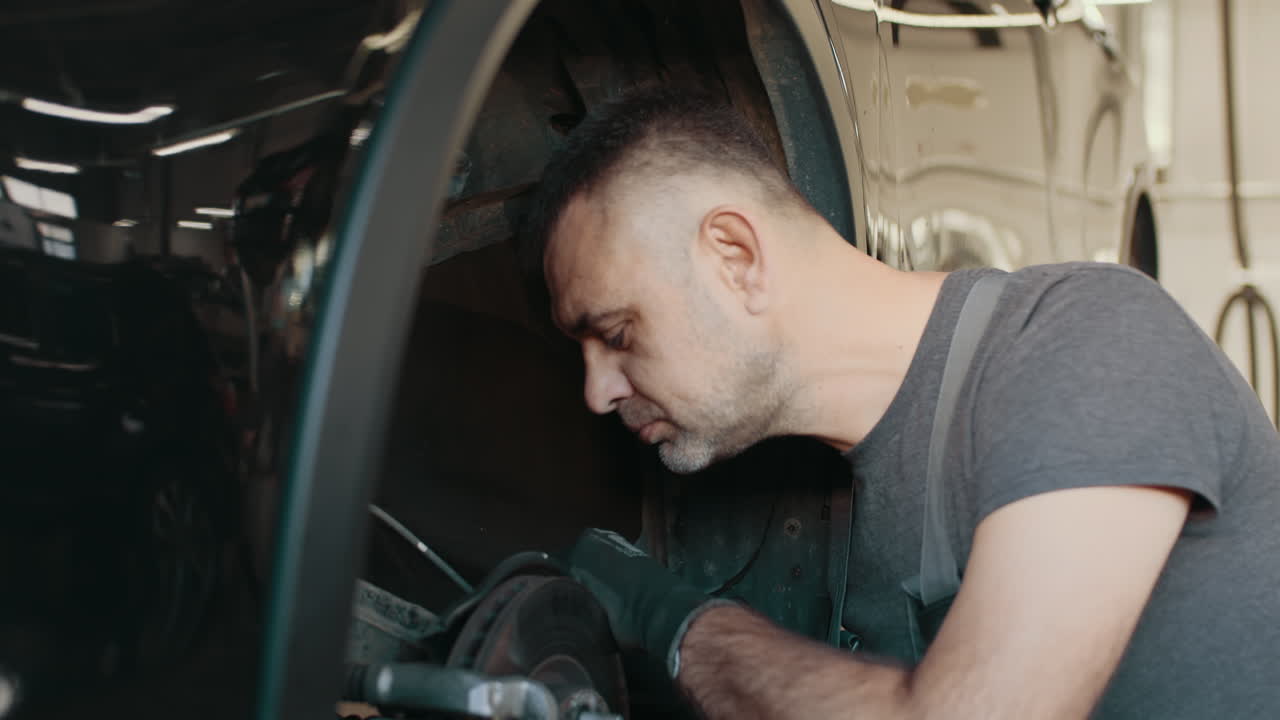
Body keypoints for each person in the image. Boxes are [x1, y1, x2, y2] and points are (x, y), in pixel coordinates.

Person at [522, 88, 1280, 719]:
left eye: (617, 333)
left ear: (735, 257)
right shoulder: (850, 516)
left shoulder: (1090, 338)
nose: (598, 390)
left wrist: (680, 629)